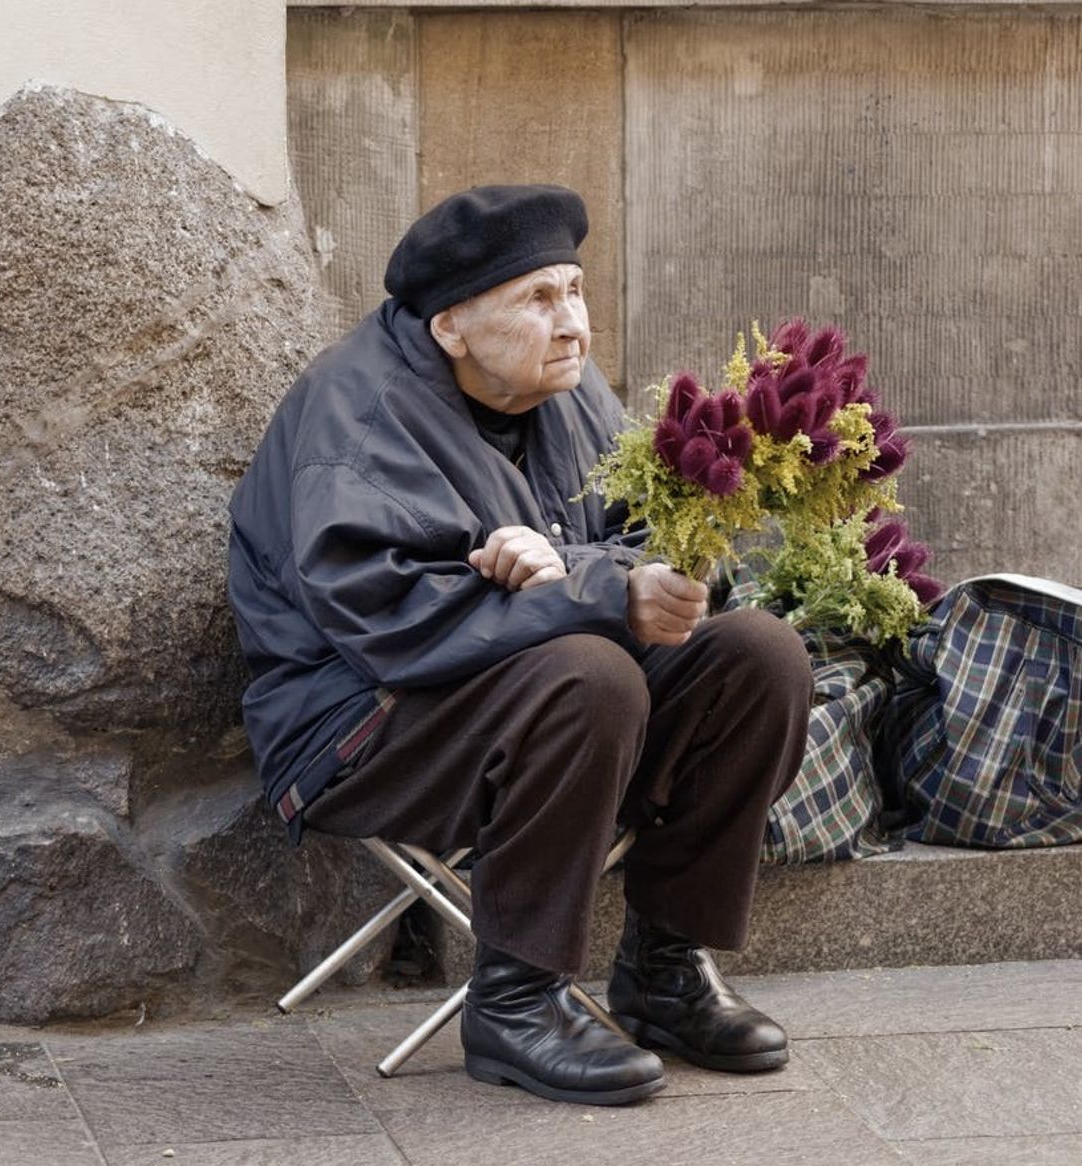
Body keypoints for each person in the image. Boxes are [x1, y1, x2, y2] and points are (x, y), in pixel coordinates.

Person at [228, 183, 813, 1106]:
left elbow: (639, 546)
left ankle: (663, 968)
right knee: (591, 673)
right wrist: (594, 589)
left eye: (575, 290)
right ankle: (516, 1001)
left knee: (760, 658)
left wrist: (604, 573)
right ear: (451, 327)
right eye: (538, 300)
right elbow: (386, 624)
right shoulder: (357, 416)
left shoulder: (569, 391)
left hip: (526, 705)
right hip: (357, 730)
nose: (574, 322)